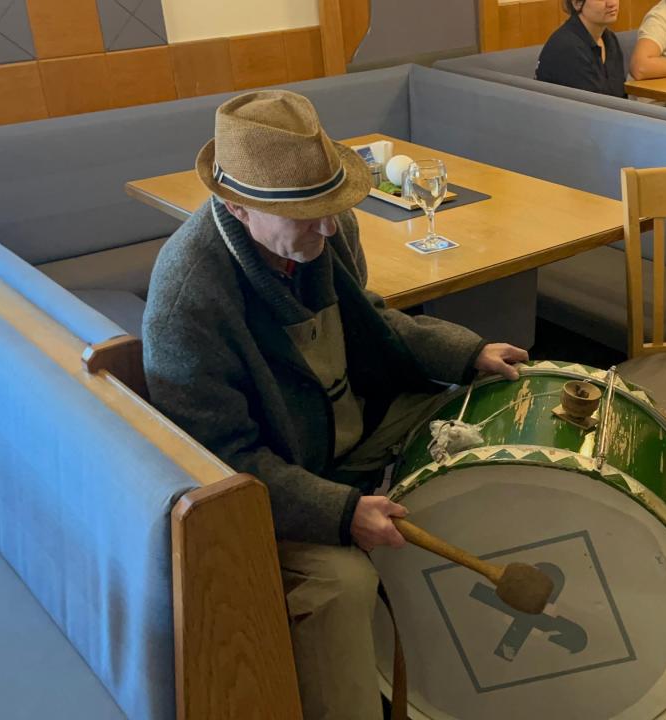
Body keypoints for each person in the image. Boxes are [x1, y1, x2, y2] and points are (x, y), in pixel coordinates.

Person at [142, 90, 528, 720]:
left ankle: (467, 666)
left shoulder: (329, 231)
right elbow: (221, 460)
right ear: (237, 206)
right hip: (280, 481)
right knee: (343, 585)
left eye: (332, 208)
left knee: (482, 413)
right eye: (307, 215)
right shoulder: (188, 298)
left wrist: (468, 354)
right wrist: (339, 511)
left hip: (357, 430)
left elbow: (372, 320)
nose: (329, 228)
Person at [537, 0, 627, 97]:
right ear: (577, 3)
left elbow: (619, 95)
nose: (612, 3)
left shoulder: (609, 39)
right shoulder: (568, 48)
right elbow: (591, 102)